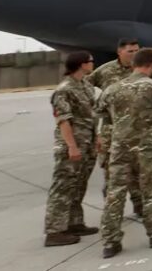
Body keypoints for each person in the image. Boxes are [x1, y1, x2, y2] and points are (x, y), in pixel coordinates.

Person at [98, 47, 152, 259]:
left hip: (120, 148)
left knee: (115, 192)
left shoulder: (112, 89)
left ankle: (110, 242)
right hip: (148, 147)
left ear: (133, 64)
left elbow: (102, 114)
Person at [88, 38, 152, 218]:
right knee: (113, 174)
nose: (134, 54)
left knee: (142, 171)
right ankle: (112, 215)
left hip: (142, 130)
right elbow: (85, 87)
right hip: (112, 130)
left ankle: (141, 207)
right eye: (130, 51)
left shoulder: (148, 69)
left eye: (136, 50)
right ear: (119, 52)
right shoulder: (105, 70)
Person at [43, 51, 98, 247]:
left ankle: (74, 223)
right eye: (91, 61)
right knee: (63, 188)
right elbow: (63, 120)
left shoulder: (86, 85)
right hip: (72, 145)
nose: (93, 64)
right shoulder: (64, 90)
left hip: (87, 143)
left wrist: (97, 138)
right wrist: (72, 146)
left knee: (78, 185)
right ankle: (54, 231)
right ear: (82, 64)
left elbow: (91, 115)